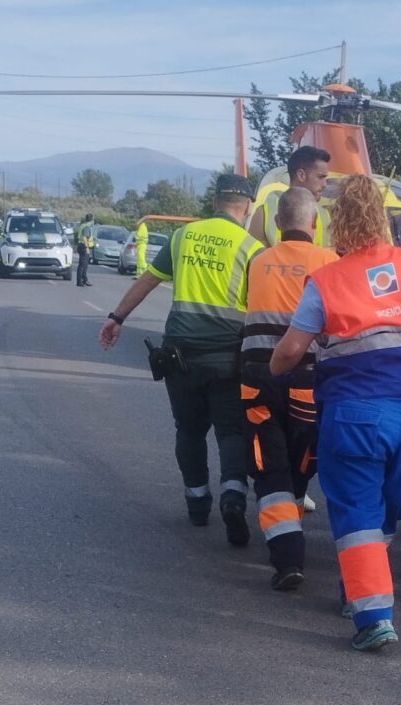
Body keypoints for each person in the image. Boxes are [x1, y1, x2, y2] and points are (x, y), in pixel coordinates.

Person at [270, 174, 401, 652]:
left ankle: (372, 617)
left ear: (337, 221)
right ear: (386, 221)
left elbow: (290, 350)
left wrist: (275, 366)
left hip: (354, 415)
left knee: (358, 511)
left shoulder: (326, 281)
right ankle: (355, 587)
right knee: (387, 506)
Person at [99, 174, 264, 546]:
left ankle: (197, 502)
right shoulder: (251, 247)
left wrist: (116, 317)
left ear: (215, 201)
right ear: (248, 207)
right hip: (227, 357)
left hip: (180, 355)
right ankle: (234, 498)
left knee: (189, 430)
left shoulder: (182, 236)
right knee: (231, 431)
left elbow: (147, 280)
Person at [240, 187, 339, 590]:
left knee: (269, 465)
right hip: (307, 381)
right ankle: (292, 517)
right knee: (301, 459)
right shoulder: (331, 264)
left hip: (258, 378)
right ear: (315, 224)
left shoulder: (258, 259)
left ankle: (287, 557)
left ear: (277, 223)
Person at [249, 146, 332, 248]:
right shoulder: (265, 214)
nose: (324, 184)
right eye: (320, 177)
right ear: (301, 175)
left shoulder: (326, 216)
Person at [76, 213, 95, 287]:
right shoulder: (87, 227)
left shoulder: (83, 225)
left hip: (81, 246)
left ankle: (84, 279)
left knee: (85, 265)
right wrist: (87, 248)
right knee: (83, 265)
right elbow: (84, 237)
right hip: (84, 247)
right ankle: (80, 281)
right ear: (91, 220)